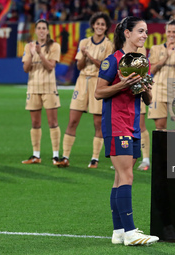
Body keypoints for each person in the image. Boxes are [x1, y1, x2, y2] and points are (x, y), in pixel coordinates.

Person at [94, 16, 159, 246]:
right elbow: (98, 93)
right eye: (141, 31)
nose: (145, 35)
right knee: (127, 176)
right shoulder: (112, 61)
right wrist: (122, 84)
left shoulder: (143, 62)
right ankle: (131, 233)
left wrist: (147, 88)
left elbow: (148, 99)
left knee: (118, 178)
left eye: (146, 31)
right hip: (115, 123)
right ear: (127, 33)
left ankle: (119, 231)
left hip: (133, 125)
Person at [57, 12, 113, 168]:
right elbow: (79, 66)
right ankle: (65, 156)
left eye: (103, 24)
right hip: (82, 82)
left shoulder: (109, 45)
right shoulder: (84, 42)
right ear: (93, 25)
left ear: (106, 27)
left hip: (98, 82)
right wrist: (83, 55)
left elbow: (105, 66)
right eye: (97, 24)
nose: (100, 27)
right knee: (73, 120)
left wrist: (90, 56)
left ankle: (94, 159)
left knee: (97, 123)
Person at [22, 19, 61, 165]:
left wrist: (40, 53)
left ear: (48, 31)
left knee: (52, 122)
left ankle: (56, 155)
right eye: (39, 28)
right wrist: (32, 55)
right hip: (33, 88)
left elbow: (51, 66)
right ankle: (36, 155)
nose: (42, 31)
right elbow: (26, 69)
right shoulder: (28, 47)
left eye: (44, 28)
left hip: (49, 88)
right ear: (36, 31)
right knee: (35, 123)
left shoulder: (54, 46)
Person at [148, 19, 175, 130]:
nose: (171, 34)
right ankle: (163, 148)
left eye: (174, 32)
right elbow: (151, 71)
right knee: (160, 126)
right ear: (165, 32)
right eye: (169, 31)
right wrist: (166, 57)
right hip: (158, 91)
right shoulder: (155, 49)